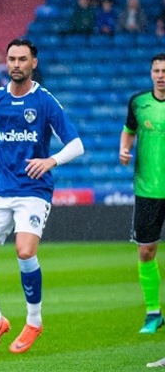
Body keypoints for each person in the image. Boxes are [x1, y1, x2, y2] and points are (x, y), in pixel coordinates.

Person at [0, 38, 84, 354]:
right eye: (12, 59)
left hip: (33, 191)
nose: (16, 64)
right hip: (0, 189)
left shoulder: (44, 101)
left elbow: (76, 144)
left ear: (33, 63)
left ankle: (34, 321)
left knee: (25, 252)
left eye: (22, 59)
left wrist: (50, 160)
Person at [119, 53, 165, 335]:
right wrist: (124, 150)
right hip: (148, 189)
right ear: (151, 74)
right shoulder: (138, 102)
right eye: (157, 70)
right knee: (146, 251)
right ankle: (153, 313)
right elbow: (128, 130)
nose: (161, 75)